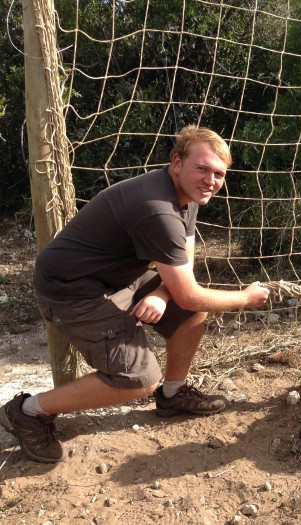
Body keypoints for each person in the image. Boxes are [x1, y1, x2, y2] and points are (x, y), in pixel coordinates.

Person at [0, 126, 270, 463]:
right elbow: (189, 292)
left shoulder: (187, 195)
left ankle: (172, 395)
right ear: (176, 162)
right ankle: (27, 410)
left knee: (189, 312)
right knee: (138, 380)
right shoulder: (157, 208)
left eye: (218, 173)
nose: (210, 180)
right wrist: (245, 298)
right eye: (202, 168)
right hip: (70, 291)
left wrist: (161, 293)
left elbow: (183, 270)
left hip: (113, 279)